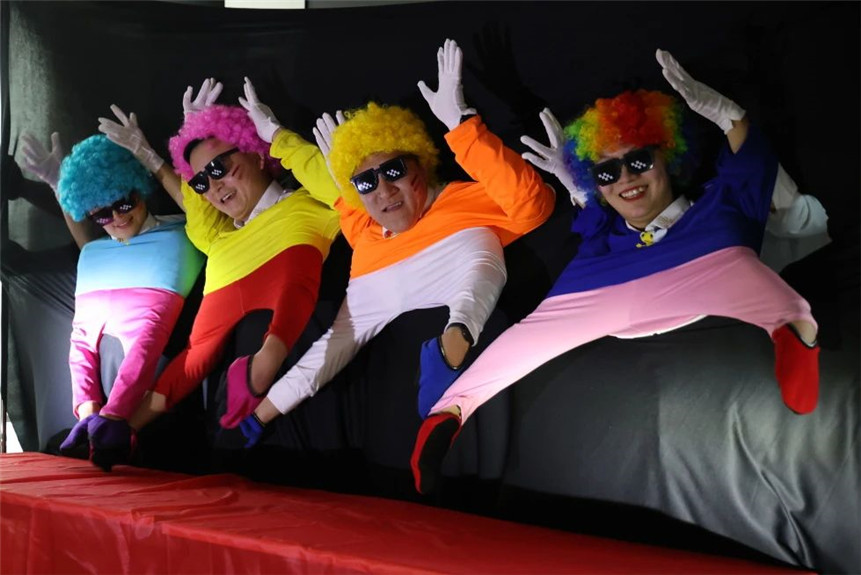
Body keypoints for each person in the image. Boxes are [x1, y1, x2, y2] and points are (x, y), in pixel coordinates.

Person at [410, 49, 821, 494]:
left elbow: (751, 164)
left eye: (638, 161)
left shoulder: (718, 206)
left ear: (667, 158)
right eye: (607, 172)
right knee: (517, 344)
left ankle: (796, 333)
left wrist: (729, 116)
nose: (625, 178)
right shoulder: (601, 232)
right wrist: (573, 185)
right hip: (602, 288)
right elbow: (590, 214)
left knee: (777, 298)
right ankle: (449, 414)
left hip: (706, 263)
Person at [232, 39, 556, 447]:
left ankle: (449, 351)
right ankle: (257, 418)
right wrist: (274, 135)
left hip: (455, 266)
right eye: (366, 182)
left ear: (420, 164)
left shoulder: (461, 200)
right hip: (376, 282)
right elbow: (315, 171)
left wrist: (461, 126)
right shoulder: (359, 218)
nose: (383, 191)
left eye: (394, 171)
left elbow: (533, 204)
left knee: (482, 252)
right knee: (330, 348)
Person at [112, 79, 343, 438]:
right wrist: (123, 428)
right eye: (201, 182)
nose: (214, 186)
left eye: (219, 168)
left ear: (255, 154)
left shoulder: (309, 204)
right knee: (194, 356)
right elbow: (193, 361)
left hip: (305, 393)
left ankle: (263, 365)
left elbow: (342, 191)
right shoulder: (217, 240)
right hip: (234, 418)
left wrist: (277, 135)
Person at [15, 126, 204, 471]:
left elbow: (147, 342)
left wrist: (115, 416)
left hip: (160, 406)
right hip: (113, 400)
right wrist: (89, 414)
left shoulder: (182, 234)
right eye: (102, 214)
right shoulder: (95, 253)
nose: (117, 218)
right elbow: (81, 347)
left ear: (139, 190)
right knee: (81, 346)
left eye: (124, 203)